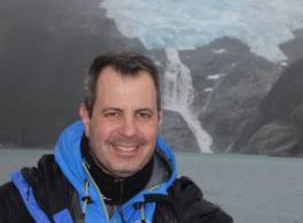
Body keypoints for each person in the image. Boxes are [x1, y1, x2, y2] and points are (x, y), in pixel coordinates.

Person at [0, 52, 233, 223]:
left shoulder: (195, 216)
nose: (129, 131)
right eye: (113, 113)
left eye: (143, 114)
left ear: (159, 119)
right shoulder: (18, 206)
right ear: (87, 117)